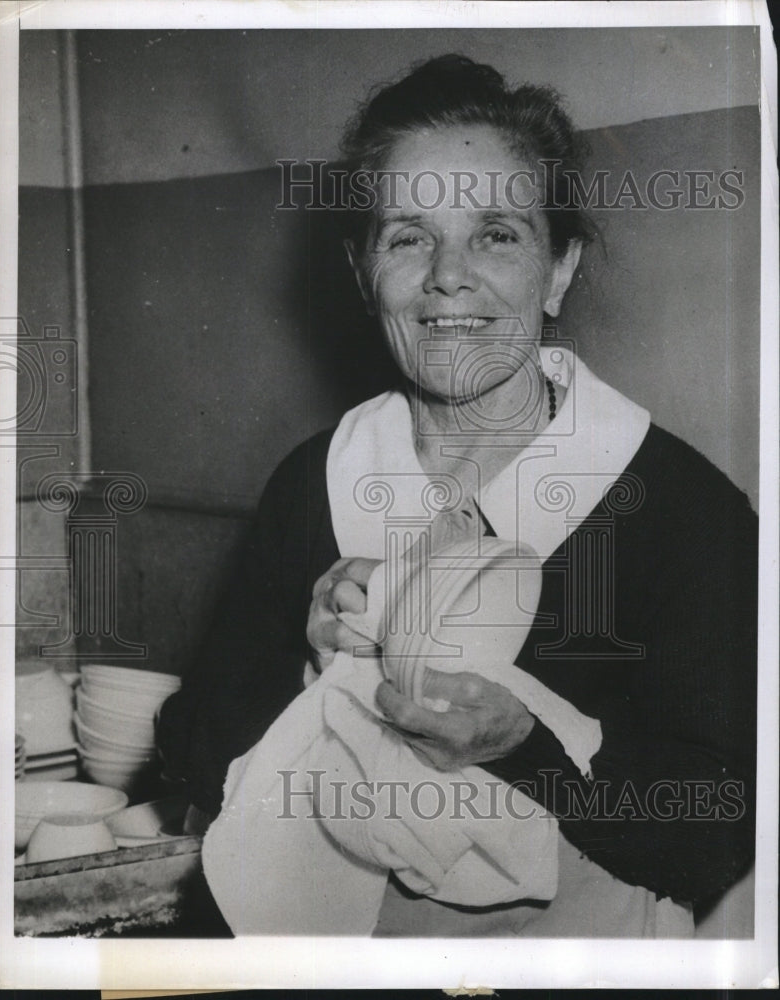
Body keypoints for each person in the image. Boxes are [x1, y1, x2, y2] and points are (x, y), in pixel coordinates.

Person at [157, 55, 757, 937]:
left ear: (558, 270)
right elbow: (192, 747)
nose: (448, 274)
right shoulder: (314, 483)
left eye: (497, 234)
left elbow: (726, 829)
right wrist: (304, 657)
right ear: (367, 275)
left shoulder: (679, 511)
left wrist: (527, 750)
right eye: (408, 235)